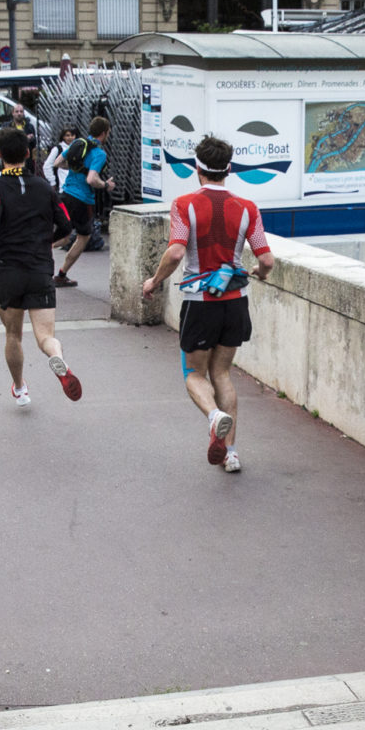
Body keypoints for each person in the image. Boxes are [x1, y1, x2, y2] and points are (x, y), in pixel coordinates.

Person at [140, 135, 275, 474]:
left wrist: (154, 282)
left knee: (193, 373)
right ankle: (231, 454)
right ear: (228, 169)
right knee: (222, 373)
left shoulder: (183, 204)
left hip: (200, 302)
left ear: (196, 168)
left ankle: (215, 417)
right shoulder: (248, 208)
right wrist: (258, 271)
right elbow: (267, 260)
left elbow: (175, 251)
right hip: (235, 302)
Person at [0, 128, 83, 407]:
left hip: (9, 271)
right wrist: (46, 242)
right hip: (40, 270)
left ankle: (20, 388)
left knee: (13, 335)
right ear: (28, 154)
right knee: (46, 337)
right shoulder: (44, 187)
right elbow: (66, 226)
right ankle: (58, 359)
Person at [54, 116, 114, 288]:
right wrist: (106, 185)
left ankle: (40, 256)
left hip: (66, 193)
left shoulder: (77, 143)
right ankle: (61, 274)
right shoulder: (99, 154)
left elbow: (58, 163)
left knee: (64, 235)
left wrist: (75, 169)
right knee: (83, 237)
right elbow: (91, 180)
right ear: (104, 133)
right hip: (82, 200)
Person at [44, 127, 81, 249]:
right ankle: (58, 241)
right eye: (67, 135)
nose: (70, 138)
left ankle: (66, 240)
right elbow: (47, 166)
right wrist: (52, 181)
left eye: (72, 135)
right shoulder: (58, 149)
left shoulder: (79, 148)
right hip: (63, 188)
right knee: (65, 218)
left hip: (75, 187)